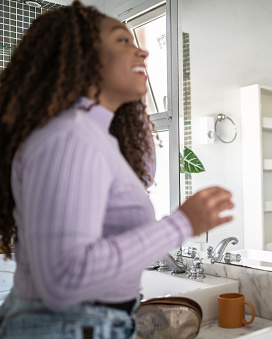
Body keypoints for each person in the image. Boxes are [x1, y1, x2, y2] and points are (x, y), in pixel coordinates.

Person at [0, 2, 233, 337]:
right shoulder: (71, 135)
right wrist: (182, 224)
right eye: (122, 41)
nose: (142, 52)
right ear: (81, 56)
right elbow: (64, 279)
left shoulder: (92, 136)